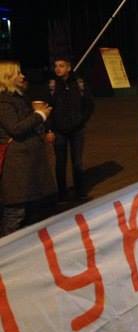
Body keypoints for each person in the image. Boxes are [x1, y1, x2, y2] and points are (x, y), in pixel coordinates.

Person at [0, 60, 56, 236]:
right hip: (17, 165)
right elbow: (16, 129)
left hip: (28, 162)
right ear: (7, 77)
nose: (22, 76)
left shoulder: (18, 96)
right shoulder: (3, 102)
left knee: (32, 209)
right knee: (16, 211)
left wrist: (42, 125)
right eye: (18, 73)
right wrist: (39, 115)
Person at [46, 55, 95, 201]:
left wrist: (81, 120)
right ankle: (62, 193)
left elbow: (89, 104)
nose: (58, 69)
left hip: (77, 130)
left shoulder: (79, 83)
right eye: (56, 66)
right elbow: (47, 108)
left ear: (69, 67)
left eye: (61, 65)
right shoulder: (51, 85)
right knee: (60, 162)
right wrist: (49, 129)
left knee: (77, 162)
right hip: (58, 130)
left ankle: (80, 191)